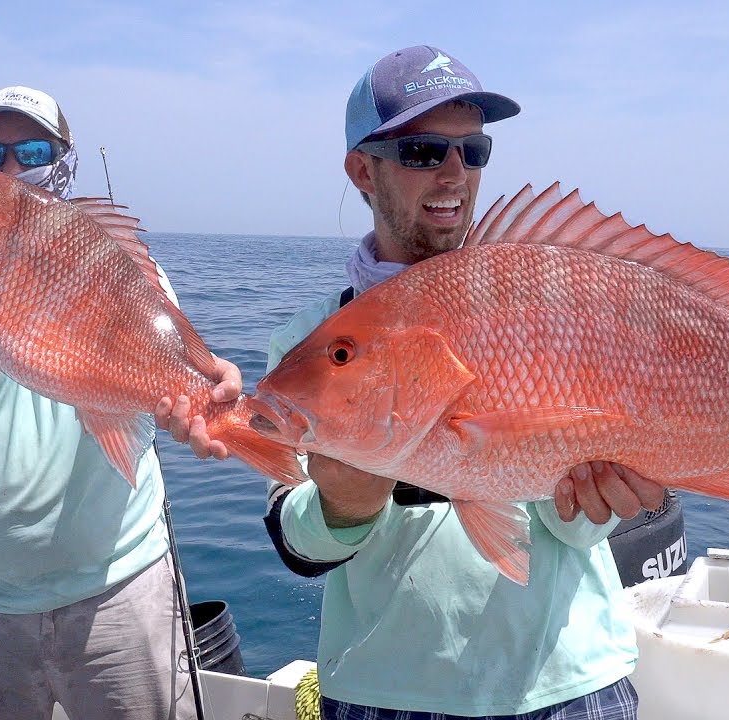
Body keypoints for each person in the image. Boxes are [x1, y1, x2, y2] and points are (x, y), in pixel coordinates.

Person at [189, 46, 662, 719]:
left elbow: (577, 535)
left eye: (473, 151)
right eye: (420, 151)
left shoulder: (541, 301)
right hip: (384, 693)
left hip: (565, 682)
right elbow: (297, 538)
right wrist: (344, 507)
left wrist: (597, 501)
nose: (452, 172)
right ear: (362, 170)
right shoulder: (313, 341)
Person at [0, 85, 236, 720]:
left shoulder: (130, 275)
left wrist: (196, 403)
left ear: (65, 164)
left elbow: (167, 386)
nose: (11, 167)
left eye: (33, 150)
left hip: (121, 594)